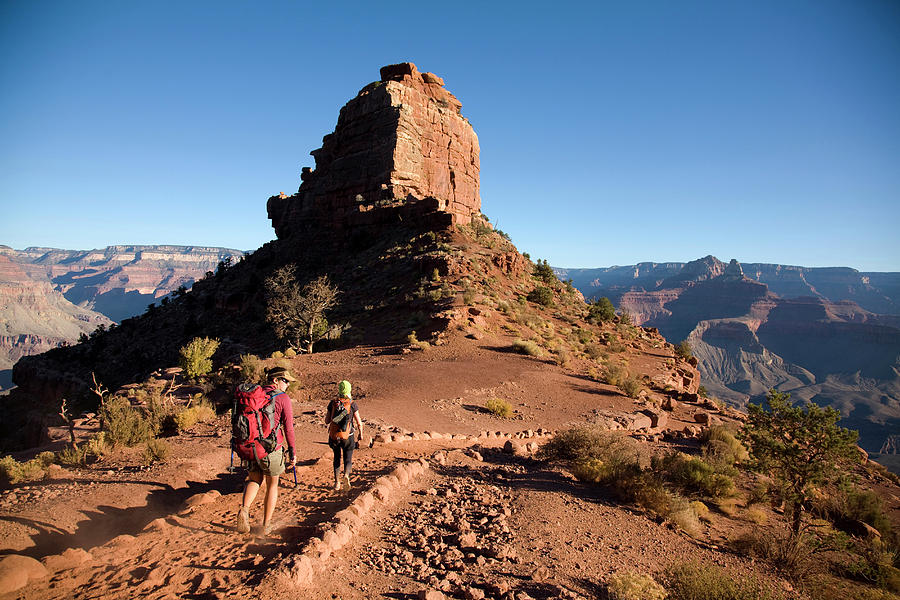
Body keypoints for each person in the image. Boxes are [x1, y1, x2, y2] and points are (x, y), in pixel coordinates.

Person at [236, 366, 297, 535]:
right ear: (275, 380)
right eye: (285, 381)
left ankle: (244, 509)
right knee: (272, 484)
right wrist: (292, 451)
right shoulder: (282, 398)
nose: (287, 385)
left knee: (254, 479)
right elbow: (289, 428)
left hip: (251, 446)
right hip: (271, 448)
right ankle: (266, 525)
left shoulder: (255, 395)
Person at [325, 380, 364, 491]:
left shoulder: (333, 403)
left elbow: (327, 421)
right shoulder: (352, 404)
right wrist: (361, 434)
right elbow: (358, 421)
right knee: (348, 458)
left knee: (336, 458)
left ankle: (337, 483)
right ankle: (346, 476)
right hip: (348, 435)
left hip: (334, 436)